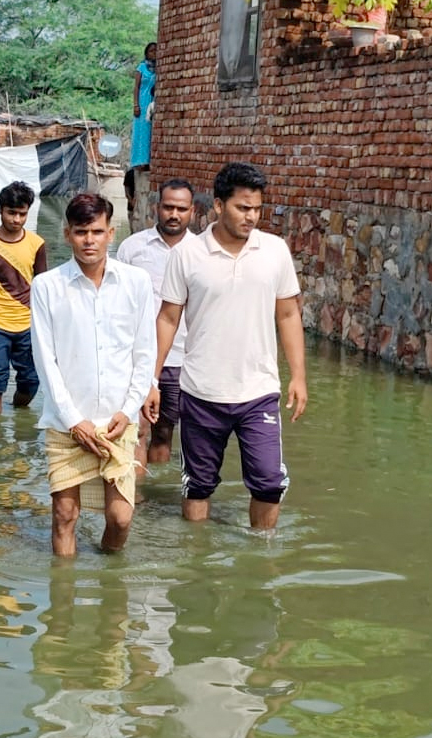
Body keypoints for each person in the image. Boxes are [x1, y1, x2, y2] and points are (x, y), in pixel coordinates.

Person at [148, 162, 308, 530]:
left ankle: (261, 564)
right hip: (201, 391)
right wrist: (151, 380)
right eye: (242, 208)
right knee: (198, 487)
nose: (251, 217)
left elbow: (287, 314)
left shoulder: (274, 251)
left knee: (269, 483)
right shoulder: (187, 255)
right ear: (218, 206)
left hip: (259, 390)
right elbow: (168, 318)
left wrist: (298, 376)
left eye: (256, 209)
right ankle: (196, 562)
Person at [31, 193, 157, 556]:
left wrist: (128, 410)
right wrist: (73, 420)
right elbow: (46, 360)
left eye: (97, 232)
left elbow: (144, 353)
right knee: (64, 514)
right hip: (67, 422)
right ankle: (64, 603)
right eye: (82, 232)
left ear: (111, 233)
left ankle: (108, 583)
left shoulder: (136, 282)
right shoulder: (47, 287)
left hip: (119, 420)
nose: (90, 240)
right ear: (67, 234)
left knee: (120, 518)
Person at [115, 178, 199, 472]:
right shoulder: (132, 248)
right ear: (156, 207)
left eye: (181, 208)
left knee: (163, 432)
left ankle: (154, 504)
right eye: (168, 207)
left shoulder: (200, 252)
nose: (174, 214)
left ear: (192, 211)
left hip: (180, 359)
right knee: (136, 430)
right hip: (135, 357)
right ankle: (133, 500)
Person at [0, 181, 48, 415]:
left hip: (28, 326)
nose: (16, 219)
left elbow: (43, 287)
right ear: (0, 210)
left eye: (22, 214)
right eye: (11, 213)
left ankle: (18, 416)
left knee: (31, 381)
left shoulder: (36, 244)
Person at [130, 42, 157, 170]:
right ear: (146, 53)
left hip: (152, 102)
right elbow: (136, 87)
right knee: (141, 131)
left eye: (156, 51)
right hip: (142, 102)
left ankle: (148, 161)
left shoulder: (158, 68)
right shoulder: (142, 67)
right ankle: (139, 162)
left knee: (150, 131)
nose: (154, 53)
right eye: (151, 51)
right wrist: (136, 105)